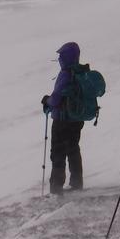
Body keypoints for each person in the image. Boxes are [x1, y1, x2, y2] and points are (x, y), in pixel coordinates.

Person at [41, 42, 85, 194]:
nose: (59, 58)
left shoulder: (65, 74)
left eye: (61, 55)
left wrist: (47, 101)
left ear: (66, 57)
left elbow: (56, 99)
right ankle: (77, 182)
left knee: (58, 152)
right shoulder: (80, 72)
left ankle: (56, 186)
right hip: (77, 119)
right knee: (73, 148)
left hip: (62, 120)